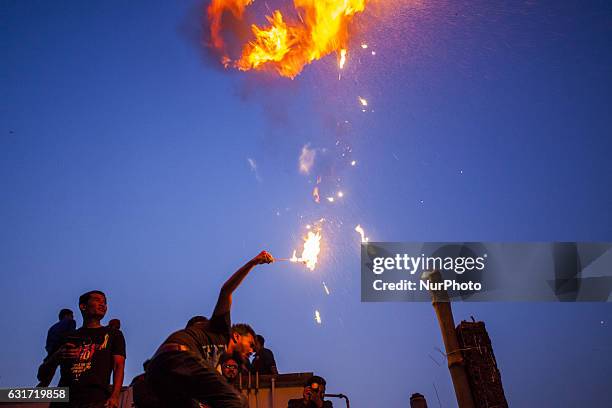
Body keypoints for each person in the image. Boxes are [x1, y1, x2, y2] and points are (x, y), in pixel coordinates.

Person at [142, 250, 274, 408]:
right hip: (177, 357)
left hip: (158, 372)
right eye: (251, 343)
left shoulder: (212, 360)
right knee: (238, 401)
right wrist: (253, 262)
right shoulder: (222, 330)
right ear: (237, 336)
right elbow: (226, 291)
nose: (252, 351)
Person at [37, 291, 126, 408]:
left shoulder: (114, 335)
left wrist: (114, 397)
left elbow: (118, 366)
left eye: (104, 302)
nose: (102, 304)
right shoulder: (68, 337)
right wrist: (57, 355)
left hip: (96, 401)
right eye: (97, 300)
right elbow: (42, 374)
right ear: (83, 306)